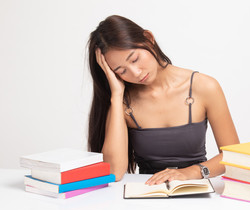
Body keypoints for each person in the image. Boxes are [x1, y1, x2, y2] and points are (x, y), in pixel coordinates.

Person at [87, 15, 239, 185]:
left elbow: (234, 156)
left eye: (135, 59)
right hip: (145, 195)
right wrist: (116, 96)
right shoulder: (123, 103)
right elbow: (114, 171)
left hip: (196, 192)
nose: (135, 73)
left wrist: (192, 172)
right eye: (121, 71)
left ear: (148, 39)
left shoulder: (204, 87)